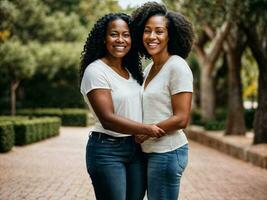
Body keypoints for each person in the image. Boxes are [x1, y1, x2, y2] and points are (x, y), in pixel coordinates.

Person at [80, 13, 165, 200]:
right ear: (103, 38)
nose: (120, 40)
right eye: (114, 34)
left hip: (135, 149)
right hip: (107, 150)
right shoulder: (95, 71)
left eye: (126, 35)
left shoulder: (132, 71)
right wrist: (147, 129)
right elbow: (108, 119)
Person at [132, 2, 194, 200]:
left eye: (159, 31)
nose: (152, 36)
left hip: (168, 151)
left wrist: (146, 131)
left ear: (170, 35)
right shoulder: (149, 68)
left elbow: (182, 118)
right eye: (147, 31)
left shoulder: (177, 67)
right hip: (149, 151)